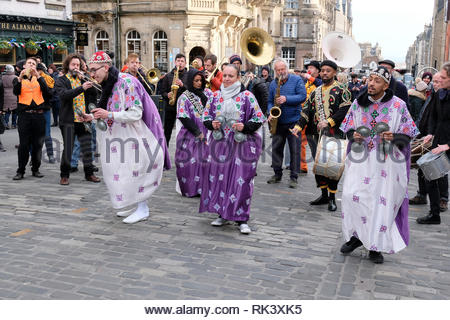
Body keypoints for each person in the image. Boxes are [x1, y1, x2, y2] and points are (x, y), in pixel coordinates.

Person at [339, 66, 419, 263]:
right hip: (362, 158)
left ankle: (375, 245)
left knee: (380, 202)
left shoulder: (398, 105)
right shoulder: (359, 103)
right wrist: (353, 135)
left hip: (387, 162)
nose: (371, 84)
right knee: (353, 196)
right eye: (370, 80)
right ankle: (358, 236)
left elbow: (408, 133)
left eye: (376, 81)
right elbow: (348, 127)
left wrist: (396, 136)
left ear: (385, 85)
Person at [88, 51, 170, 224]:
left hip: (134, 134)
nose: (92, 74)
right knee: (122, 171)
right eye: (90, 70)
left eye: (94, 70)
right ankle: (134, 206)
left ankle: (142, 208)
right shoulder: (107, 83)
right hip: (118, 135)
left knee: (137, 169)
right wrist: (90, 117)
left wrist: (108, 114)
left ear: (106, 67)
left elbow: (135, 113)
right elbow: (110, 110)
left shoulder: (126, 81)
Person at [200, 64, 265, 234]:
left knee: (241, 180)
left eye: (231, 76)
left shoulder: (247, 96)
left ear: (238, 78)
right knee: (220, 179)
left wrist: (245, 126)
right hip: (220, 145)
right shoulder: (215, 96)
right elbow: (205, 116)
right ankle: (223, 213)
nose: (227, 79)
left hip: (242, 145)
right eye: (225, 76)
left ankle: (242, 218)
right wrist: (211, 124)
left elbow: (259, 118)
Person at [291, 60, 352, 211]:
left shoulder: (342, 90)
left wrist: (329, 121)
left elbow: (345, 110)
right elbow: (306, 111)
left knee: (331, 166)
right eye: (323, 70)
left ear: (334, 73)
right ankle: (324, 194)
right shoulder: (315, 92)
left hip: (334, 134)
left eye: (328, 70)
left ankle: (332, 198)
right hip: (314, 134)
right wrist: (299, 126)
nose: (325, 73)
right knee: (319, 166)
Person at [55, 53, 101, 185]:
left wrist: (89, 82)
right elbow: (64, 96)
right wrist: (81, 88)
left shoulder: (82, 79)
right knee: (68, 149)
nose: (76, 67)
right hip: (68, 120)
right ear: (68, 66)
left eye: (78, 65)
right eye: (73, 64)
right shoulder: (62, 80)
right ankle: (64, 175)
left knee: (87, 147)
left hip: (83, 119)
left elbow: (95, 93)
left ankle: (89, 173)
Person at [417, 63, 450, 224]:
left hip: (448, 143)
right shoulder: (440, 94)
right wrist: (430, 133)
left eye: (443, 78)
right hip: (439, 140)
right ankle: (434, 214)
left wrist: (448, 145)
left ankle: (443, 201)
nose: (439, 81)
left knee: (440, 176)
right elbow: (433, 117)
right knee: (430, 174)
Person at [410, 72, 448, 212]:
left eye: (439, 81)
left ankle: (443, 199)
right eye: (435, 82)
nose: (436, 84)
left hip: (440, 139)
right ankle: (422, 194)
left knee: (440, 169)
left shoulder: (443, 96)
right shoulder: (433, 94)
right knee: (422, 166)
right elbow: (426, 114)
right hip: (426, 135)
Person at [266, 58, 307, 188]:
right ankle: (277, 174)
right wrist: (270, 112)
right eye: (278, 70)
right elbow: (270, 102)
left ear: (287, 68)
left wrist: (286, 99)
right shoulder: (273, 83)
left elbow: (302, 96)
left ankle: (294, 177)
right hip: (278, 122)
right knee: (276, 149)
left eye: (282, 69)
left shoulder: (297, 80)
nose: (280, 72)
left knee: (295, 150)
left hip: (293, 121)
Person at [175, 69, 213, 197]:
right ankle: (191, 189)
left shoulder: (208, 93)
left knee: (206, 162)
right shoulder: (184, 97)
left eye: (200, 80)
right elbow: (183, 116)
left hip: (207, 132)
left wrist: (204, 97)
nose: (199, 83)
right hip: (190, 134)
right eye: (196, 81)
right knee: (189, 162)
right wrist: (197, 132)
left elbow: (215, 109)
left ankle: (205, 189)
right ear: (190, 81)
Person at [12, 57, 51, 180]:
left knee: (38, 144)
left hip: (39, 115)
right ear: (24, 66)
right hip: (25, 115)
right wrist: (19, 78)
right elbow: (16, 92)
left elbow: (47, 93)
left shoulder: (40, 79)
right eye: (29, 63)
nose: (31, 65)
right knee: (24, 144)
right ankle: (20, 171)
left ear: (36, 67)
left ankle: (36, 169)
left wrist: (38, 77)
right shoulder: (17, 79)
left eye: (33, 64)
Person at [160, 53, 188, 146]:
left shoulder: (188, 76)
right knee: (167, 131)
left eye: (182, 61)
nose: (180, 63)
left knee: (184, 131)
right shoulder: (168, 76)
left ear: (185, 63)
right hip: (171, 107)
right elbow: (162, 91)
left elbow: (191, 91)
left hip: (184, 108)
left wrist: (182, 85)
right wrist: (167, 95)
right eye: (178, 61)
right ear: (175, 62)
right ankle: (165, 151)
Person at [300, 60, 323, 174]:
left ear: (318, 71)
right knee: (301, 142)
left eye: (312, 67)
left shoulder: (319, 81)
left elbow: (321, 85)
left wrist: (310, 77)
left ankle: (319, 165)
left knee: (315, 144)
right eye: (308, 67)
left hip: (315, 118)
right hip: (303, 115)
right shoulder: (304, 81)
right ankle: (302, 166)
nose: (309, 69)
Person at [1, 65, 18, 129]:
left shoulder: (2, 77)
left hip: (5, 96)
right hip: (14, 95)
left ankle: (6, 123)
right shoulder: (15, 77)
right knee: (15, 111)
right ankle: (14, 124)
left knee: (7, 111)